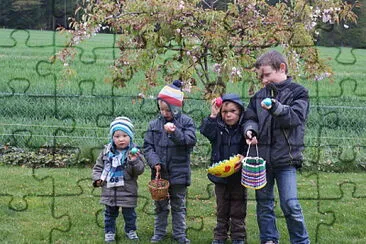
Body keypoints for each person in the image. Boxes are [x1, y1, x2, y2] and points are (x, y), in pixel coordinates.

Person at [244, 50, 310, 244]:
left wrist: (275, 107)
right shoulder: (258, 96)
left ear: (282, 68)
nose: (263, 80)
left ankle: (300, 241)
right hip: (261, 160)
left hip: (286, 160)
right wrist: (250, 131)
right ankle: (269, 239)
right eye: (260, 76)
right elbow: (250, 118)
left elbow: (296, 117)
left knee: (290, 204)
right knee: (264, 205)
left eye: (266, 74)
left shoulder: (299, 92)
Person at [143, 80, 197, 244]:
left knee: (178, 205)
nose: (164, 113)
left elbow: (190, 141)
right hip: (160, 174)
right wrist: (155, 162)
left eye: (168, 109)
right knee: (160, 205)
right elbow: (148, 147)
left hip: (179, 173)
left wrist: (174, 133)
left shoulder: (186, 122)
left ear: (177, 107)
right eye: (161, 109)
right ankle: (159, 233)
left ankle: (179, 234)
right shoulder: (154, 125)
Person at [200, 93, 248, 244]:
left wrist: (244, 156)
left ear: (240, 111)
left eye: (232, 111)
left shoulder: (244, 129)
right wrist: (213, 115)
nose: (228, 115)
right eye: (225, 112)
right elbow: (205, 130)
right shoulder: (217, 128)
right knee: (222, 208)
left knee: (238, 209)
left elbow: (249, 147)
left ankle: (238, 236)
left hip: (239, 176)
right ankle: (220, 235)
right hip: (220, 177)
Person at [92, 116, 145, 242]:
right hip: (110, 190)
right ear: (112, 138)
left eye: (124, 136)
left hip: (128, 190)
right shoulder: (106, 153)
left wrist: (134, 161)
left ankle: (131, 230)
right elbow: (98, 167)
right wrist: (97, 179)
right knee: (110, 214)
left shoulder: (134, 153)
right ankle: (109, 232)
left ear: (130, 137)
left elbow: (140, 170)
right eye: (117, 136)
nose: (121, 139)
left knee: (130, 214)